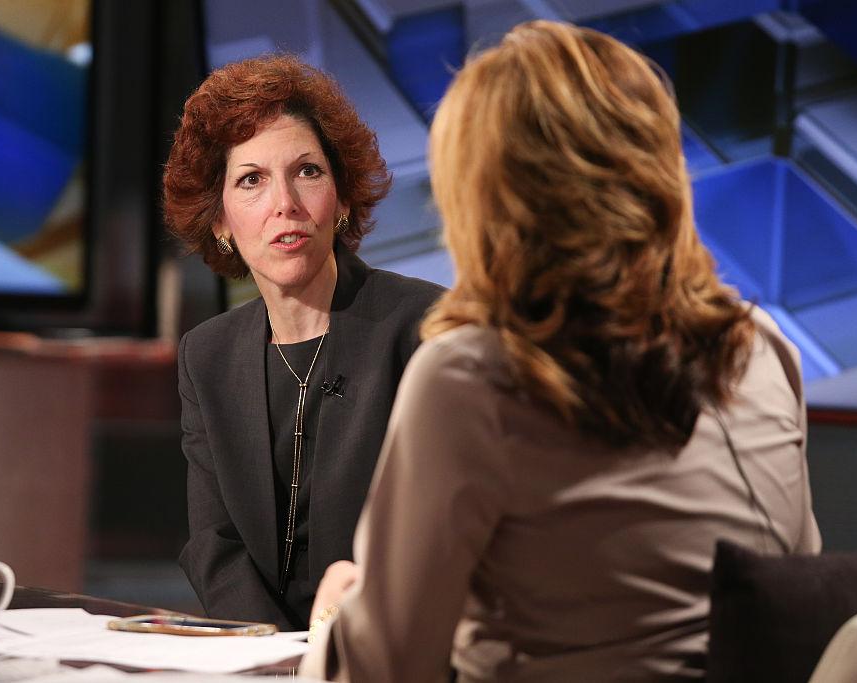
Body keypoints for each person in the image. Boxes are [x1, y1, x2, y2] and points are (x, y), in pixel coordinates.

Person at [300, 20, 820, 681]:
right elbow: (796, 615)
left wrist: (331, 621)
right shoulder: (764, 348)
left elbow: (384, 671)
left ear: (485, 198)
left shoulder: (473, 378)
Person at [162, 55, 444, 631]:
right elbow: (215, 543)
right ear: (220, 220)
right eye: (251, 180)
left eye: (307, 171)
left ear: (341, 199)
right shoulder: (206, 355)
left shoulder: (423, 327)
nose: (284, 203)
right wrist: (275, 656)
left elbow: (440, 530)